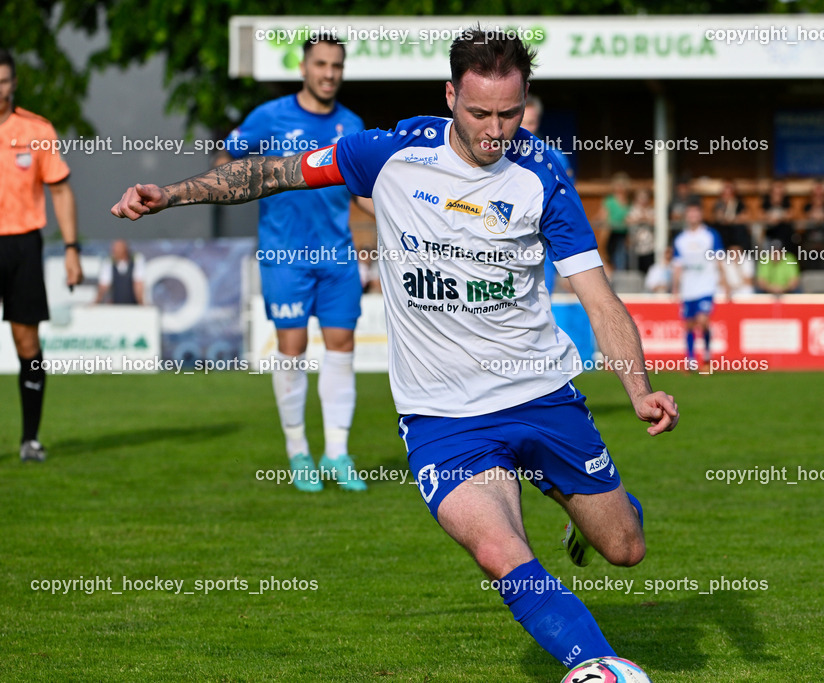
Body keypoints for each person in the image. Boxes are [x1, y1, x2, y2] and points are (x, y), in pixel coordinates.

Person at [112, 29, 678, 670]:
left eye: (510, 114)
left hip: (540, 395)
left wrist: (639, 389)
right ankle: (600, 666)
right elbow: (273, 172)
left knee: (625, 547)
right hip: (442, 418)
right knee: (500, 551)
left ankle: (586, 511)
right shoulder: (386, 153)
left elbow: (599, 298)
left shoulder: (542, 175)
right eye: (479, 114)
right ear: (449, 98)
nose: (496, 132)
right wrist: (173, 194)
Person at [215, 35, 374, 492]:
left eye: (336, 66)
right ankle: (298, 452)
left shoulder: (352, 125)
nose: (329, 73)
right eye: (321, 64)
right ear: (304, 67)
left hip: (338, 256)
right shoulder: (269, 117)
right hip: (285, 255)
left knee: (342, 345)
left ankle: (338, 453)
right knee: (293, 346)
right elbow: (227, 158)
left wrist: (395, 221)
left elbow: (361, 193)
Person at [0, 48, 83, 462]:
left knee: (27, 342)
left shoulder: (37, 129)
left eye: (2, 81)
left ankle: (30, 439)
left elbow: (61, 190)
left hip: (23, 245)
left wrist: (71, 249)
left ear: (13, 83)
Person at [521, 94, 572, 294]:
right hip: (503, 241)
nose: (525, 128)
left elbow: (564, 205)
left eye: (531, 122)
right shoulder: (494, 156)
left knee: (541, 301)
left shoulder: (555, 158)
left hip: (541, 241)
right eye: (521, 122)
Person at [672, 204, 730, 370]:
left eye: (696, 213)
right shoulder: (680, 239)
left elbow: (719, 260)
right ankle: (690, 360)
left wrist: (725, 284)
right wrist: (675, 287)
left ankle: (706, 356)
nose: (693, 216)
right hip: (688, 287)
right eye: (690, 213)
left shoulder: (710, 235)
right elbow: (677, 265)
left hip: (706, 284)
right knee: (689, 324)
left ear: (700, 215)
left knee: (703, 320)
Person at [598, 172, 632, 271]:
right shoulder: (609, 201)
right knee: (611, 255)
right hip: (611, 233)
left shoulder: (629, 202)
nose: (620, 188)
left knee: (622, 257)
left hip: (624, 234)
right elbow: (602, 216)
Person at [95, 239, 145, 304]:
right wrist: (96, 302)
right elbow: (104, 285)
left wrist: (141, 303)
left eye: (118, 248)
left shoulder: (136, 260)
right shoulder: (109, 262)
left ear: (125, 249)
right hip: (115, 305)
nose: (114, 250)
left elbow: (138, 284)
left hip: (133, 305)